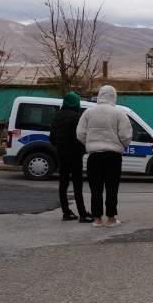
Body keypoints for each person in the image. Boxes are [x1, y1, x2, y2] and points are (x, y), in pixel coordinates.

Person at [76, 84, 132, 227]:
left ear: (100, 95)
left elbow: (80, 134)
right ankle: (111, 218)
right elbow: (126, 135)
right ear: (114, 96)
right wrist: (121, 145)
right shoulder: (119, 113)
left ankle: (97, 219)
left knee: (96, 189)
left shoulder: (88, 113)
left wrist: (90, 143)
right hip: (113, 156)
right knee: (112, 188)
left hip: (94, 156)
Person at [49, 91, 92, 223]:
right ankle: (83, 214)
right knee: (77, 184)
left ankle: (66, 212)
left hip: (61, 155)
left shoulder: (57, 116)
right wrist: (83, 149)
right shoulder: (76, 117)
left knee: (63, 183)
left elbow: (52, 138)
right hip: (75, 155)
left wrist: (60, 147)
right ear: (76, 103)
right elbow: (81, 137)